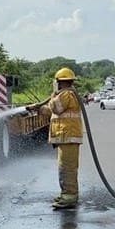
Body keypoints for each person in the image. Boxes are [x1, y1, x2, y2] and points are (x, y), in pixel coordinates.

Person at [27, 67, 83, 209]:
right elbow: (54, 112)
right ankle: (66, 194)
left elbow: (56, 107)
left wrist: (53, 95)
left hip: (68, 137)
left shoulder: (66, 94)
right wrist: (38, 108)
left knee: (67, 168)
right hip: (65, 137)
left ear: (59, 82)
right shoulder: (65, 95)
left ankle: (69, 197)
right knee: (64, 167)